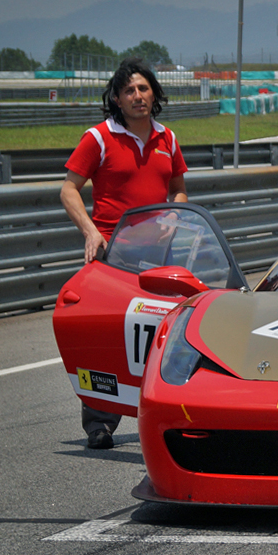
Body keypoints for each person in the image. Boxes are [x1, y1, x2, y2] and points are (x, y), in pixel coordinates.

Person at [60, 57, 188, 449]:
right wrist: (89, 232)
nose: (138, 96)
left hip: (158, 256)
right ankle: (99, 421)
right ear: (116, 98)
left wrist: (174, 216)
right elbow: (68, 190)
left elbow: (179, 188)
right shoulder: (98, 137)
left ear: (155, 93)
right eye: (129, 90)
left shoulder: (167, 138)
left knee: (160, 336)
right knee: (109, 338)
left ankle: (159, 411)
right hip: (111, 256)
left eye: (144, 88)